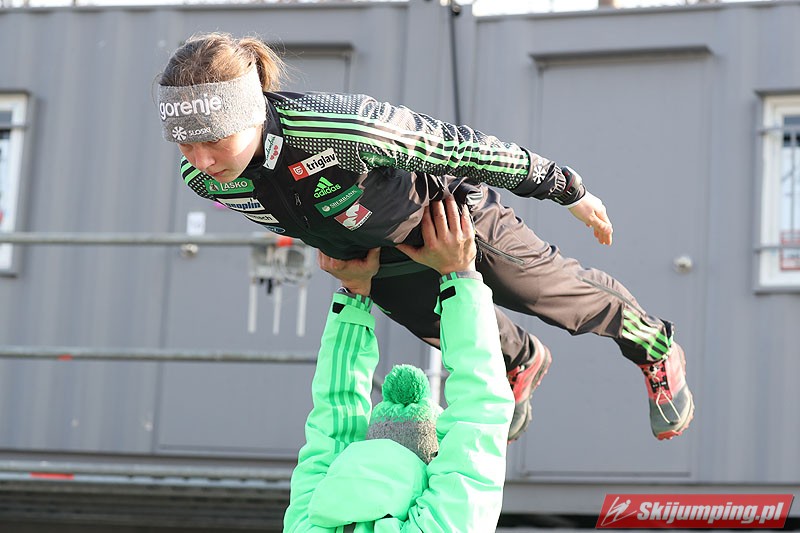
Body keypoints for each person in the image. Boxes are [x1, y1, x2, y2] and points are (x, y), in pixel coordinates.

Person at [155, 31, 694, 442]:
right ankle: (520, 362)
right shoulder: (204, 179)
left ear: (251, 112)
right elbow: (290, 210)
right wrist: (342, 260)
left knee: (544, 292)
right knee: (453, 331)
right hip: (374, 258)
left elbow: (462, 148)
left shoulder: (341, 128)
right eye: (185, 144)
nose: (201, 160)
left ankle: (653, 344)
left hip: (451, 219)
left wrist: (566, 189)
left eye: (214, 140)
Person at [284, 198, 515, 532]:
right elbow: (332, 420)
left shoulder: (443, 526)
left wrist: (460, 273)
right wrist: (353, 293)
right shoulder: (307, 521)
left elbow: (480, 414)